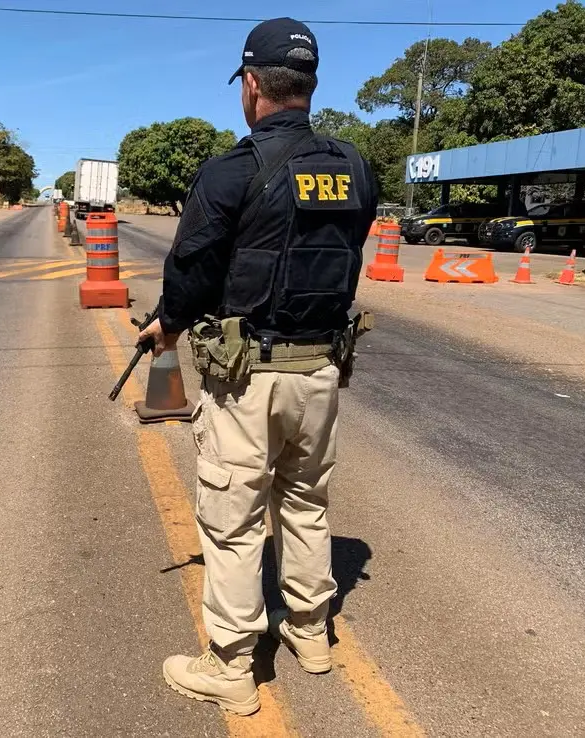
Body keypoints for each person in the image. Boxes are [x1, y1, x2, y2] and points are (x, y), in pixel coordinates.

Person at [137, 18, 378, 717]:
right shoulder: (355, 166)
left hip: (246, 378)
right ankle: (311, 635)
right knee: (305, 503)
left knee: (234, 519)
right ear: (310, 85)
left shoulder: (233, 169)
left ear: (250, 85)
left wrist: (167, 324)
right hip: (321, 373)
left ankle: (232, 665)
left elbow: (192, 269)